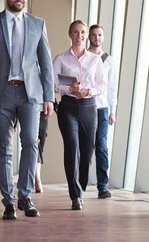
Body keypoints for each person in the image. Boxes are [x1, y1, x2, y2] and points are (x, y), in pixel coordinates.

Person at [0, 0, 54, 220]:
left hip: (30, 94)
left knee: (31, 142)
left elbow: (46, 63)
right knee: (3, 148)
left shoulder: (37, 24)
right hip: (1, 93)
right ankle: (8, 201)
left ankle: (25, 196)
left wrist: (49, 97)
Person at [53, 20, 106, 210]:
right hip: (67, 107)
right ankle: (75, 195)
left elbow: (102, 85)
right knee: (72, 147)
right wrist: (69, 88)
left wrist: (88, 92)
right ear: (70, 34)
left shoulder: (95, 60)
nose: (79, 35)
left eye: (82, 32)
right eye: (75, 32)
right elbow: (53, 84)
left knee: (87, 151)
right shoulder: (60, 59)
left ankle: (81, 185)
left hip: (89, 106)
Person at [88, 24, 118, 199]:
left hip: (103, 108)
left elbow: (112, 87)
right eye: (94, 35)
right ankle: (79, 185)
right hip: (86, 106)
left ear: (103, 37)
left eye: (100, 35)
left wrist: (113, 110)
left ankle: (102, 186)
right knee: (85, 147)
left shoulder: (109, 61)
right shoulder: (83, 58)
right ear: (89, 37)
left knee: (102, 146)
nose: (97, 38)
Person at [35, 112, 48, 193]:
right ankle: (37, 178)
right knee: (34, 141)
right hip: (28, 106)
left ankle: (36, 176)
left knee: (41, 139)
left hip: (43, 110)